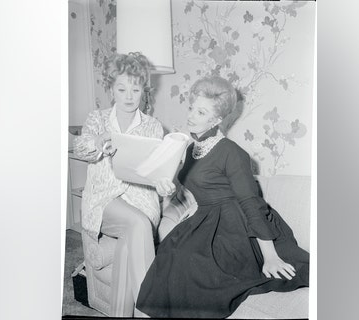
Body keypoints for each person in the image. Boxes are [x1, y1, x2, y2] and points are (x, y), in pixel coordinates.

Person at [137, 76, 310, 318]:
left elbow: (250, 203)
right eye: (191, 108)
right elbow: (190, 188)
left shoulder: (233, 152)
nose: (191, 116)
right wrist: (168, 189)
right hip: (206, 219)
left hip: (237, 223)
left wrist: (269, 256)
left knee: (191, 262)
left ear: (217, 119)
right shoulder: (189, 148)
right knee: (171, 251)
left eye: (201, 112)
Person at [73, 52, 169, 317]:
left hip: (141, 202)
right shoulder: (98, 118)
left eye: (136, 89)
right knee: (136, 224)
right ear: (111, 88)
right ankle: (153, 310)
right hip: (104, 202)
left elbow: (156, 171)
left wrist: (163, 182)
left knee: (130, 245)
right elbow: (80, 148)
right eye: (122, 88)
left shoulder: (153, 127)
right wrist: (98, 141)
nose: (129, 95)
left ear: (144, 90)